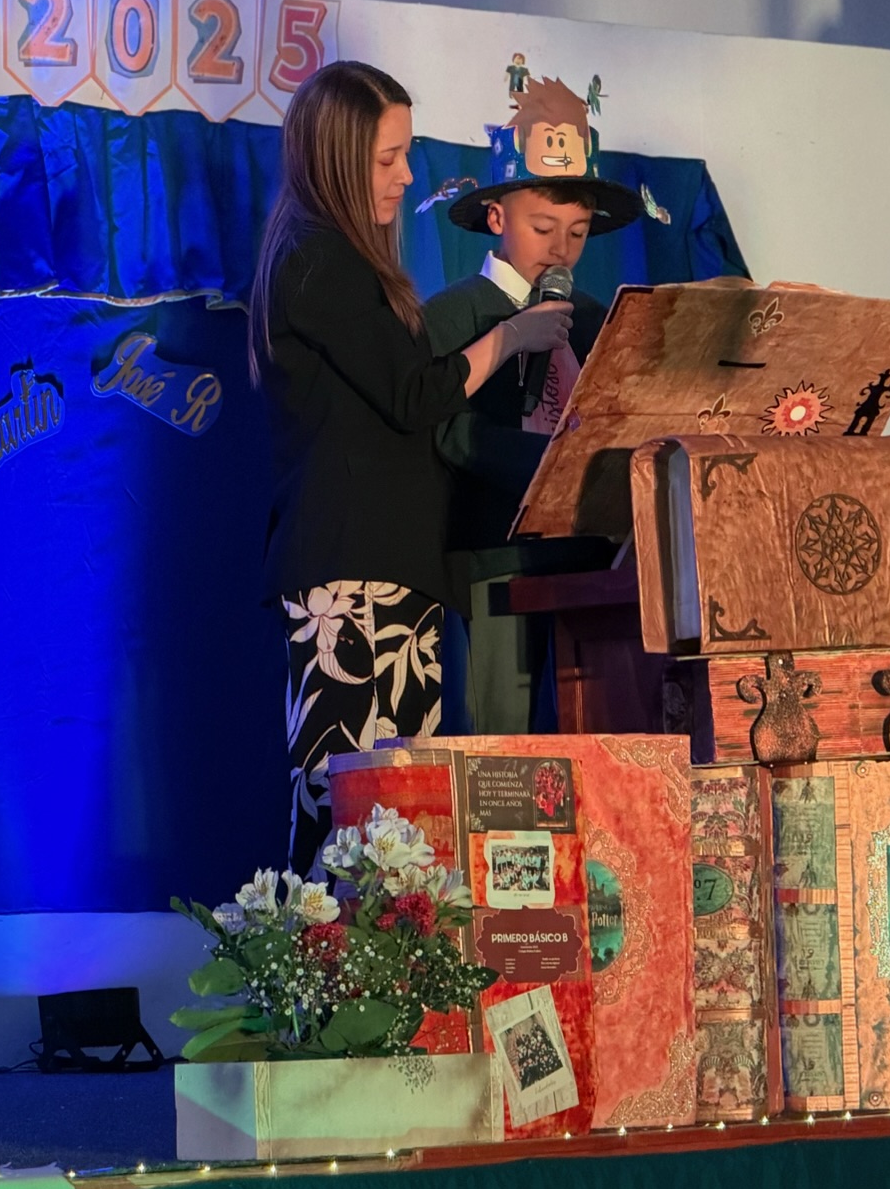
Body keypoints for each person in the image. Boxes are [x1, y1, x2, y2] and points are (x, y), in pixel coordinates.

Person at [248, 61, 573, 873]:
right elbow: (414, 394)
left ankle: (383, 956)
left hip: (390, 572)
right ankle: (321, 956)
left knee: (393, 819)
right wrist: (509, 337)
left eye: (405, 155)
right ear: (336, 159)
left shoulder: (342, 261)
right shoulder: (320, 258)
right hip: (351, 575)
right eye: (386, 158)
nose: (403, 176)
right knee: (347, 810)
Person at [426, 74, 643, 733]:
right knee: (506, 739)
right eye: (543, 227)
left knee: (595, 723)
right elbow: (445, 429)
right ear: (497, 218)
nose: (560, 248)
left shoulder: (595, 318)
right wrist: (547, 463)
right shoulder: (455, 313)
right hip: (496, 558)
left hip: (587, 561)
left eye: (577, 232)